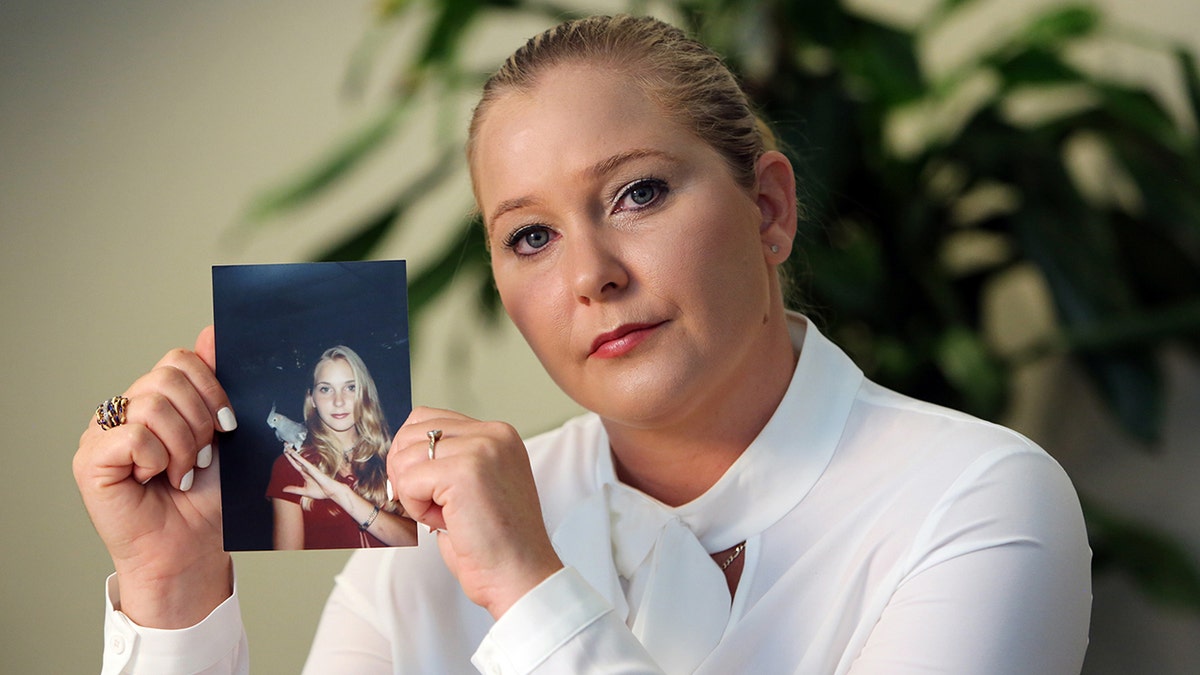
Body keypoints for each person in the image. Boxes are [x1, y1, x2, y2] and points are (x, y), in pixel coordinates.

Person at [73, 14, 1091, 674]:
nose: (590, 274)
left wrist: (528, 590)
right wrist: (172, 596)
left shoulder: (979, 496)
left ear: (769, 209)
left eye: (638, 192)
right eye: (530, 237)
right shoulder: (417, 543)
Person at [266, 345, 417, 550]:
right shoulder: (292, 466)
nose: (339, 401)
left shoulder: (391, 456)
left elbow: (419, 542)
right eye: (326, 389)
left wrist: (342, 495)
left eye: (350, 387)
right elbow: (286, 565)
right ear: (312, 399)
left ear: (364, 394)